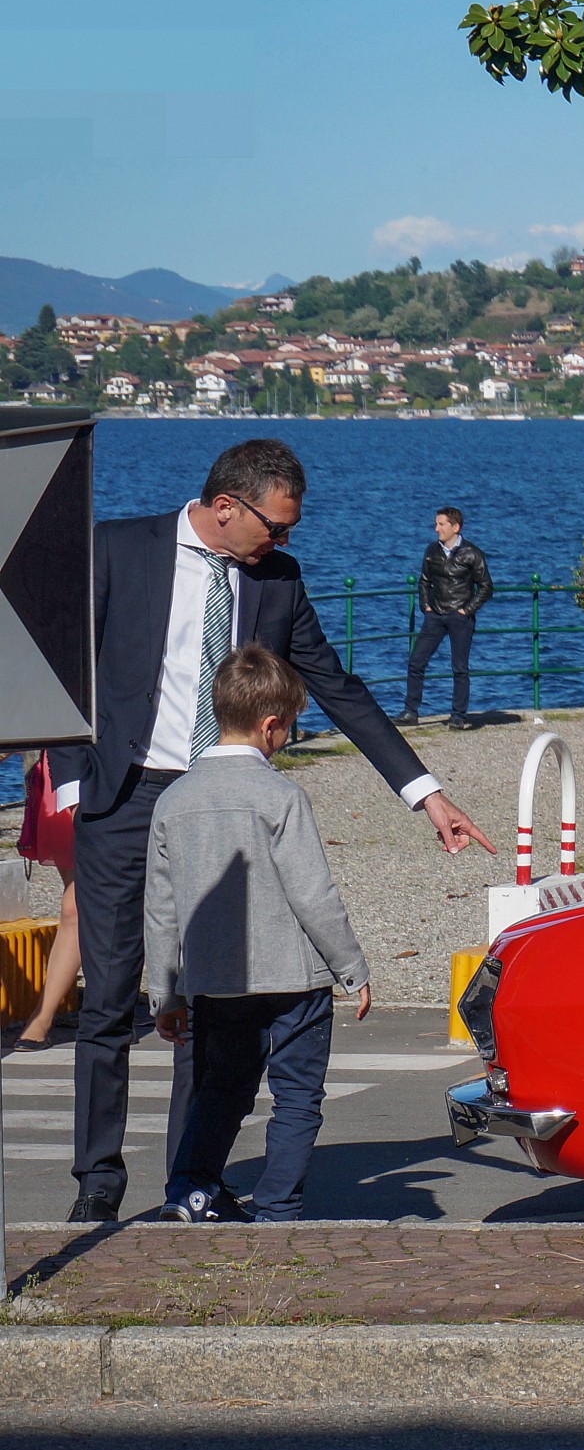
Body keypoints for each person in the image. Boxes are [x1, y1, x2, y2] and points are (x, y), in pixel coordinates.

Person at [47, 438, 492, 1225]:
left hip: (221, 802)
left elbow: (337, 686)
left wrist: (424, 793)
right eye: (275, 528)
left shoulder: (277, 582)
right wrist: (75, 786)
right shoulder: (114, 550)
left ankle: (192, 1181)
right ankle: (98, 1180)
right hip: (122, 797)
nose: (283, 544)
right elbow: (59, 660)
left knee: (207, 1005)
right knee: (112, 996)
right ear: (227, 507)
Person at [146, 647, 369, 1223]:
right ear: (272, 726)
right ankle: (276, 1207)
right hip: (294, 977)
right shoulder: (282, 797)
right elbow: (312, 895)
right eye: (288, 727)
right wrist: (352, 969)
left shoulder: (173, 801)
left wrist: (164, 994)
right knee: (296, 1097)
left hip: (216, 981)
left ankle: (190, 1191)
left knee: (221, 1089)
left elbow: (161, 909)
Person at [7, 750, 79, 1053]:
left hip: (96, 768)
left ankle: (43, 1018)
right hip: (61, 770)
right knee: (79, 904)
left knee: (77, 905)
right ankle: (113, 1005)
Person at [399, 505, 492, 730]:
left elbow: (486, 586)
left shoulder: (471, 553)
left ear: (455, 527)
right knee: (416, 661)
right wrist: (426, 606)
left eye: (441, 524)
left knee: (459, 667)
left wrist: (466, 610)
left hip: (460, 617)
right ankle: (411, 711)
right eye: (436, 524)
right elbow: (424, 580)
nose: (436, 529)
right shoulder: (432, 551)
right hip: (435, 615)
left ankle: (458, 715)